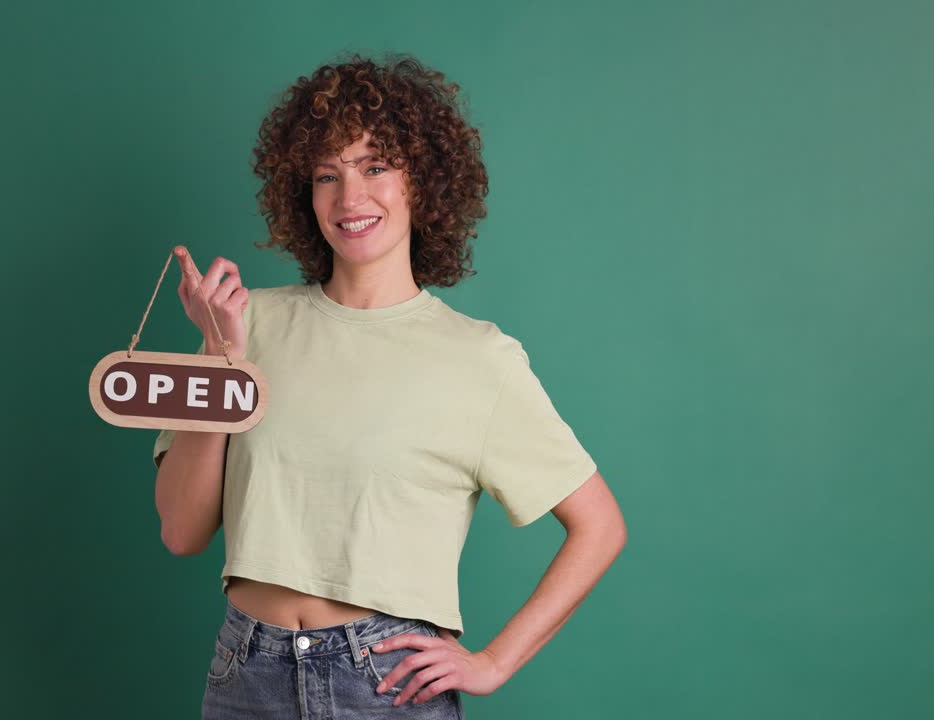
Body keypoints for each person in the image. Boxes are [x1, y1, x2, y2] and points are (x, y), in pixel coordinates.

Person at [151, 52, 627, 719]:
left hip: (384, 685)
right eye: (327, 175)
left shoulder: (477, 358)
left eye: (375, 166)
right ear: (302, 192)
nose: (350, 199)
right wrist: (220, 353)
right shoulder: (244, 321)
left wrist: (493, 662)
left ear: (423, 183)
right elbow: (181, 530)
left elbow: (599, 526)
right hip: (245, 675)